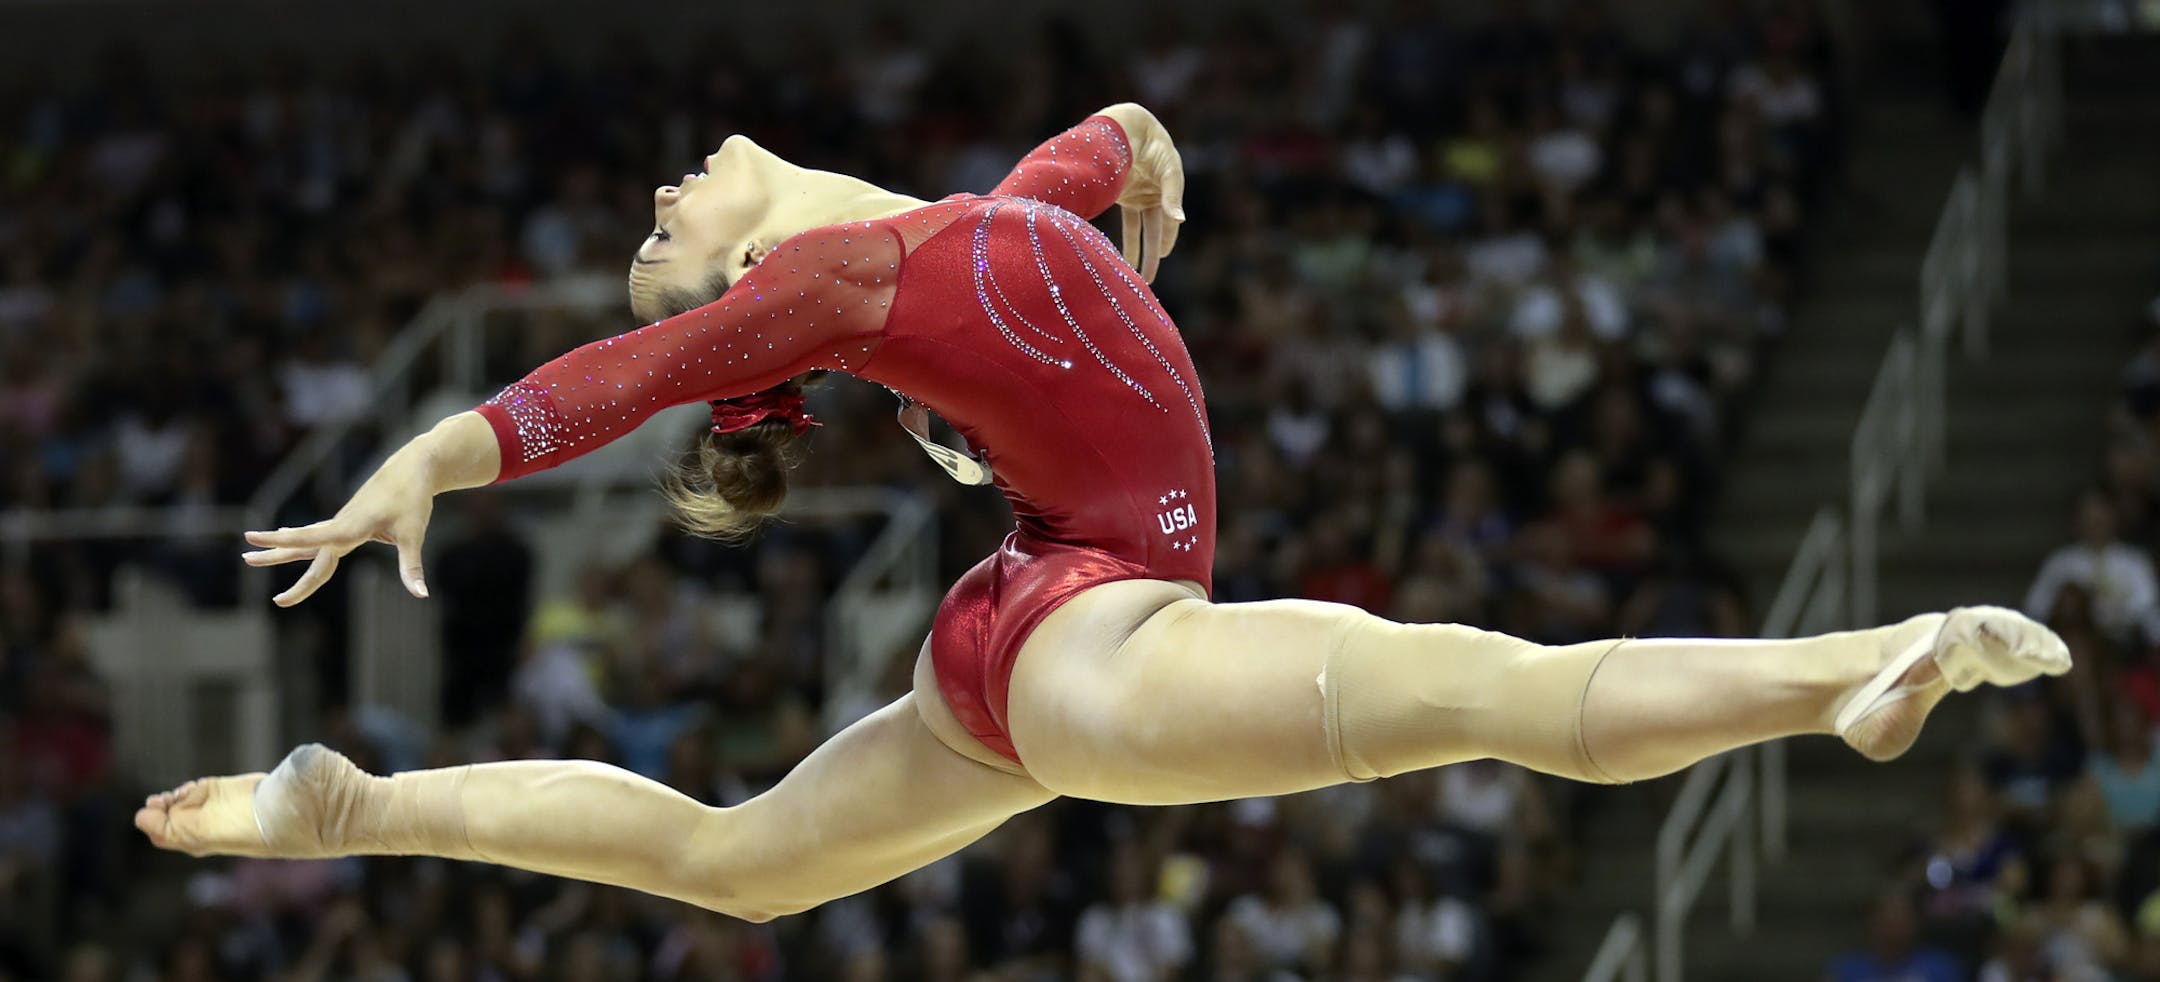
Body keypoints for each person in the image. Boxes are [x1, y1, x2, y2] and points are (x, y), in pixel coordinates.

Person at [135, 103, 2070, 925]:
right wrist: (432, 458)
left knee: (738, 864)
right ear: (742, 282)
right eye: (666, 249)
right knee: (1493, 691)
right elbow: (601, 389)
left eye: (660, 227)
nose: (659, 204)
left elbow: (1081, 171)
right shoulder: (840, 288)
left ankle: (354, 806)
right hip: (1096, 631)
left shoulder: (954, 231)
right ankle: (1852, 672)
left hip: (1037, 628)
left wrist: (1139, 150)